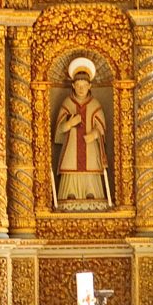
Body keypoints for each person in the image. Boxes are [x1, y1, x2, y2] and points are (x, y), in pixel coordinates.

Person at [50, 60, 112, 210]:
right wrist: (70, 124)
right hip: (71, 148)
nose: (81, 89)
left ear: (90, 86)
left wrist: (95, 134)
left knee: (91, 172)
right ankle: (70, 193)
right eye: (78, 85)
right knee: (71, 172)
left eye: (84, 85)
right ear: (73, 85)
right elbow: (59, 130)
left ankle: (91, 193)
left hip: (90, 149)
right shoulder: (67, 103)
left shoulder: (95, 104)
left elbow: (102, 128)